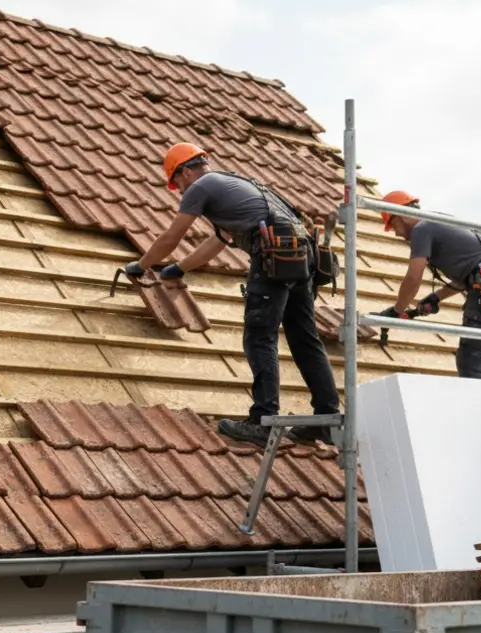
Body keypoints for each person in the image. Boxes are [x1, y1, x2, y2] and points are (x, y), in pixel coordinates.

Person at [124, 142, 339, 446]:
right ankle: (326, 420)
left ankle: (263, 420)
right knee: (304, 339)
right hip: (302, 260)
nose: (181, 192)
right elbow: (218, 241)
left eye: (178, 185)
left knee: (259, 336)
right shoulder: (235, 183)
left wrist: (141, 265)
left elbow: (173, 235)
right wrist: (179, 268)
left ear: (184, 172)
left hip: (274, 258)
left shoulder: (202, 186)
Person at [377, 190, 481, 381]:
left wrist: (396, 311)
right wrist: (437, 297)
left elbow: (413, 278)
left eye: (392, 224)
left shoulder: (422, 228)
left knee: (471, 360)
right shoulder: (439, 222)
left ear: (403, 215)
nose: (395, 232)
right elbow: (471, 274)